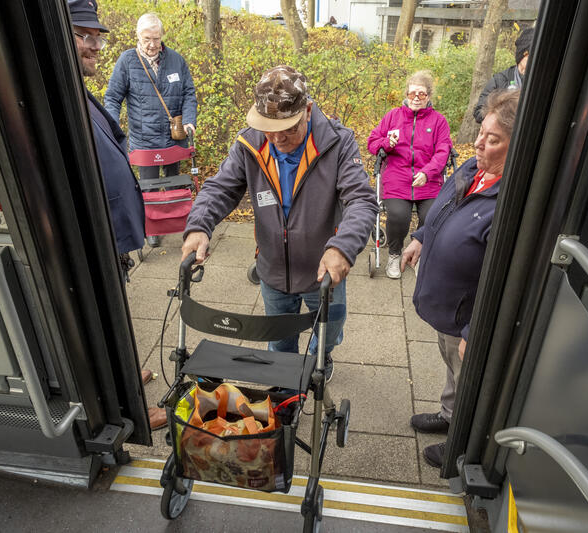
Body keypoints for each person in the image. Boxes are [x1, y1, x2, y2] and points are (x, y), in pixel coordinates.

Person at [181, 65, 377, 383]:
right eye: (269, 129)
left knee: (329, 328)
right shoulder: (250, 143)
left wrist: (343, 248)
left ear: (308, 110)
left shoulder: (339, 143)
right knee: (279, 340)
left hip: (323, 268)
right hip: (273, 268)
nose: (277, 138)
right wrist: (199, 226)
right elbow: (220, 188)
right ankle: (283, 380)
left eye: (288, 128)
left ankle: (320, 355)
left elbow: (362, 201)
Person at [402, 89, 520, 469]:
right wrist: (422, 237)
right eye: (481, 132)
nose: (479, 144)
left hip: (466, 317)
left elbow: (500, 280)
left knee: (469, 379)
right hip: (445, 309)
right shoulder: (473, 170)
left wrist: (473, 330)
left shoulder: (509, 201)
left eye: (494, 139)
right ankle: (449, 414)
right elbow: (444, 207)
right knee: (451, 365)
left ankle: (462, 444)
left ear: (517, 147)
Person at [68, 0, 164, 429]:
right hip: (87, 236)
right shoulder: (54, 91)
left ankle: (124, 375)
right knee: (99, 321)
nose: (95, 46)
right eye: (84, 35)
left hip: (109, 234)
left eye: (98, 37)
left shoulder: (73, 86)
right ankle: (125, 409)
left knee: (117, 309)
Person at [104, 13, 198, 247]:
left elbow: (189, 93)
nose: (152, 44)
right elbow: (113, 98)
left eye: (156, 38)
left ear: (162, 36)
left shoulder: (176, 60)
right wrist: (112, 127)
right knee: (148, 188)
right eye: (147, 38)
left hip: (174, 137)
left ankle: (177, 221)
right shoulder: (126, 61)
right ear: (138, 36)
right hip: (144, 139)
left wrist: (189, 120)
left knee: (175, 183)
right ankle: (152, 226)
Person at [367, 70, 452, 279]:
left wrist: (428, 172)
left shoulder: (439, 121)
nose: (416, 97)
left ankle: (419, 254)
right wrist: (387, 144)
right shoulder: (392, 117)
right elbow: (372, 143)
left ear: (428, 96)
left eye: (421, 94)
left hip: (428, 180)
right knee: (398, 214)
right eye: (412, 92)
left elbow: (443, 151)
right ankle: (395, 253)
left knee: (431, 214)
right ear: (406, 93)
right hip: (397, 178)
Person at [473, 27, 533, 123]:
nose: (534, 62)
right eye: (531, 56)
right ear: (521, 55)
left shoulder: (541, 81)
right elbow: (479, 113)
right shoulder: (500, 80)